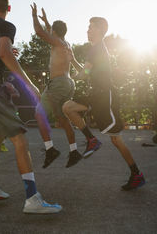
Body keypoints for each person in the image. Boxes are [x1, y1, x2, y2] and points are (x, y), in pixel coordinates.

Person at [0, 0, 61, 213]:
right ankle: (32, 199)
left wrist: (2, 60)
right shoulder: (7, 27)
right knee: (19, 138)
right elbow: (3, 53)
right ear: (9, 8)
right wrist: (27, 84)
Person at [62, 17, 146, 190]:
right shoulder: (95, 50)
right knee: (68, 108)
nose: (87, 30)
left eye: (91, 27)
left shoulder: (97, 49)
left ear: (100, 30)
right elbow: (87, 72)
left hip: (105, 97)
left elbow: (84, 74)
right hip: (96, 95)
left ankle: (136, 174)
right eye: (88, 27)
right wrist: (73, 60)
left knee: (116, 139)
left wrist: (67, 78)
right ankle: (91, 140)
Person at [30, 3, 81, 168]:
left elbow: (39, 32)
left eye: (52, 30)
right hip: (67, 84)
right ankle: (74, 151)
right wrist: (47, 21)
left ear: (56, 32)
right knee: (61, 118)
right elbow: (53, 33)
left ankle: (50, 150)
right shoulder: (66, 44)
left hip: (58, 84)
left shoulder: (58, 43)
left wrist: (34, 16)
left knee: (39, 114)